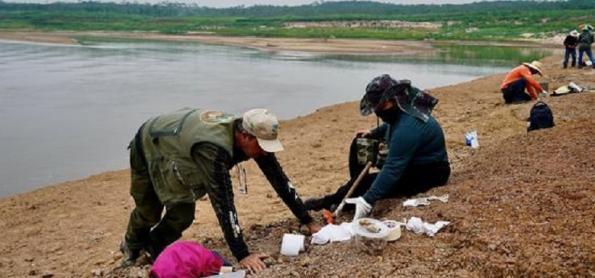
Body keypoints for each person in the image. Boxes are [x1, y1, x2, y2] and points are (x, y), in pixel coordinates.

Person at [120, 108, 321, 273]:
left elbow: (279, 180)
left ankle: (152, 248)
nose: (264, 151)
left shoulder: (253, 141)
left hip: (180, 150)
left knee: (182, 215)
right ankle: (131, 246)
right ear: (244, 136)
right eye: (262, 145)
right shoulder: (213, 148)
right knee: (149, 210)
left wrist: (308, 220)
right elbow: (223, 202)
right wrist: (242, 254)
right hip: (150, 144)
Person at [304, 74, 451, 220]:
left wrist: (367, 201)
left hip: (429, 172)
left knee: (369, 183)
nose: (376, 111)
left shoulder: (408, 127)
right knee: (359, 143)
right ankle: (355, 185)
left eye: (378, 106)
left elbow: (393, 169)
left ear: (390, 101)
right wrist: (373, 133)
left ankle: (331, 200)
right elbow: (392, 125)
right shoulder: (402, 109)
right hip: (409, 159)